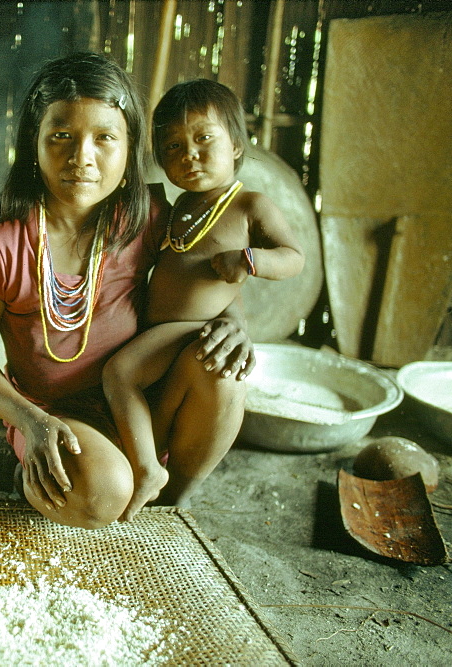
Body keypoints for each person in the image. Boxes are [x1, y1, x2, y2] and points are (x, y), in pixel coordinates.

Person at [0, 53, 254, 530]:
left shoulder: (145, 218)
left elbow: (208, 280)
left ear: (130, 145)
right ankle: (41, 471)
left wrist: (234, 326)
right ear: (35, 141)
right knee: (102, 492)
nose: (82, 158)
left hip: (137, 407)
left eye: (105, 138)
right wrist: (30, 420)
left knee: (223, 371)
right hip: (54, 418)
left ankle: (168, 506)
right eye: (62, 137)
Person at [102, 79, 305, 520]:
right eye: (172, 146)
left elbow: (293, 258)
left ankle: (153, 473)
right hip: (159, 331)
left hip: (193, 330)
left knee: (119, 374)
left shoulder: (251, 205)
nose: (188, 154)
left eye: (203, 139)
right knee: (134, 388)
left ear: (236, 144)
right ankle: (148, 466)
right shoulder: (176, 209)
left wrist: (249, 259)